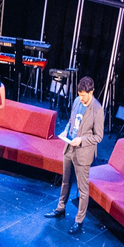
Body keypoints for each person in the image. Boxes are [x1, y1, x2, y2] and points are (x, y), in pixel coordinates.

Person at [48, 76, 103, 234]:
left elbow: (98, 136)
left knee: (82, 188)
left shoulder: (97, 109)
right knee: (65, 181)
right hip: (69, 147)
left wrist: (81, 140)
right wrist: (66, 130)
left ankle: (79, 221)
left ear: (91, 92)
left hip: (83, 152)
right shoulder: (77, 101)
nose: (82, 99)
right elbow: (72, 121)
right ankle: (60, 208)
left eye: (84, 96)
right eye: (80, 95)